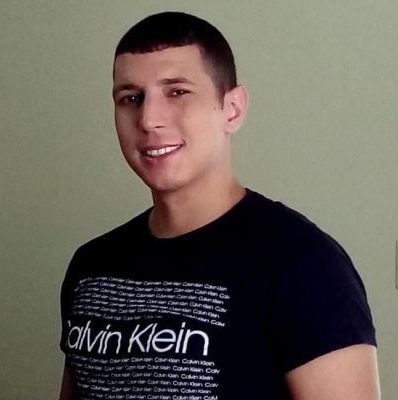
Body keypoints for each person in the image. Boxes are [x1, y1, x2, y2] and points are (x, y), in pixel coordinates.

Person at [59, 11, 380, 400]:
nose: (148, 120)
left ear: (233, 109)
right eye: (131, 98)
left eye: (177, 92)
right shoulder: (92, 266)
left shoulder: (302, 263)